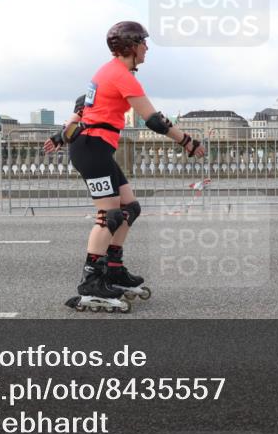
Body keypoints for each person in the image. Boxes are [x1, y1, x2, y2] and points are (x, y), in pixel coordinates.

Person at [44, 20, 206, 313]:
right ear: (131, 46)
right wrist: (188, 142)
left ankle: (114, 268)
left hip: (93, 147)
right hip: (91, 148)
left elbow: (82, 106)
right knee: (109, 214)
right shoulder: (121, 75)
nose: (147, 48)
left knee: (130, 208)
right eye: (144, 42)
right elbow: (155, 120)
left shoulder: (106, 71)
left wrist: (60, 136)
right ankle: (92, 281)